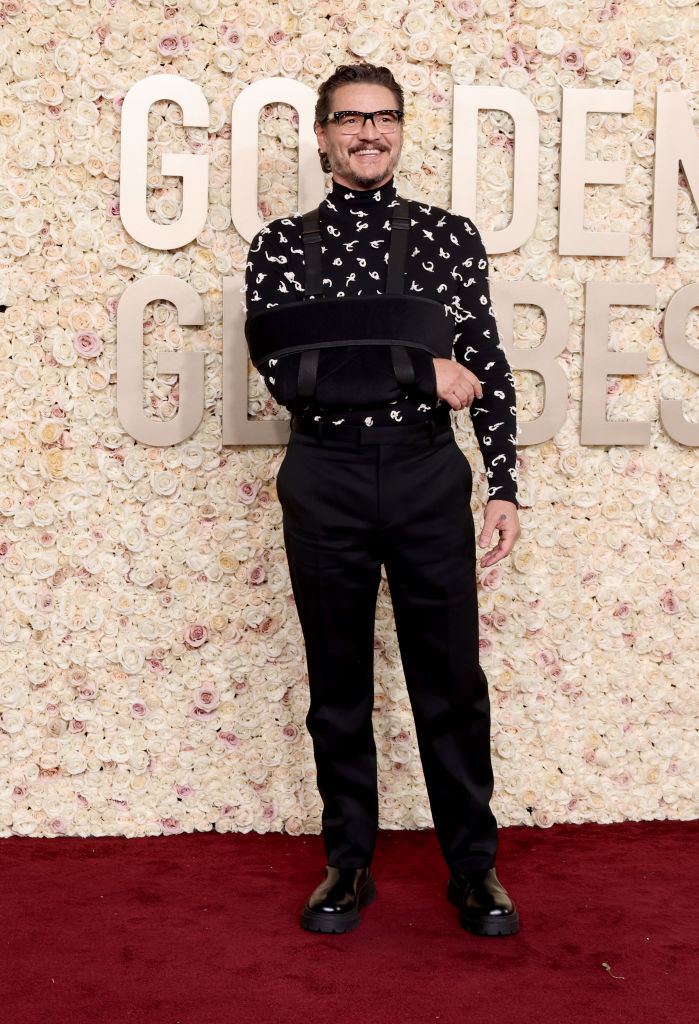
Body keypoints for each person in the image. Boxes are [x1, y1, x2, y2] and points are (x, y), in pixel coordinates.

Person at [244, 63, 521, 937]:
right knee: (337, 682)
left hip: (427, 475)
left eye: (384, 117)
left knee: (450, 679)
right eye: (350, 118)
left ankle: (472, 869)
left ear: (400, 129)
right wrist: (413, 367)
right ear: (321, 135)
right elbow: (292, 377)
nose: (369, 132)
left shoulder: (449, 237)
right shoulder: (280, 246)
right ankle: (347, 863)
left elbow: (485, 364)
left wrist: (506, 483)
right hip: (322, 476)